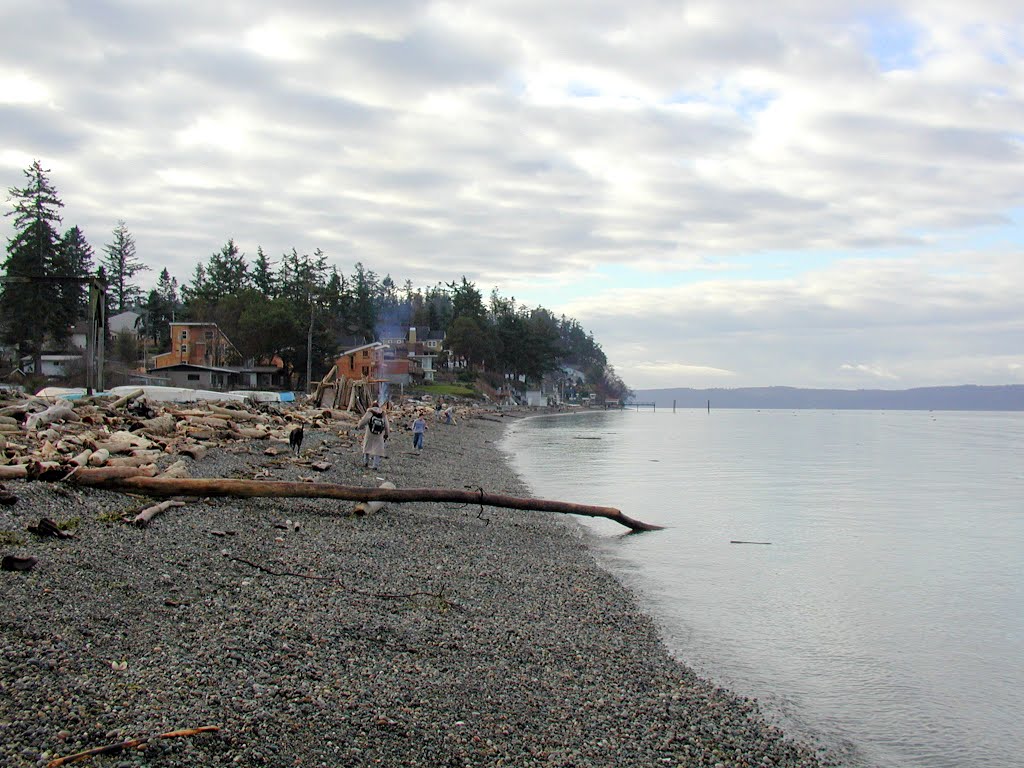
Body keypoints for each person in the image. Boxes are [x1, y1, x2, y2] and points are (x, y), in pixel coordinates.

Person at [357, 400, 390, 469]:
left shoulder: (370, 412)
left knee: (367, 447)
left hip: (370, 432)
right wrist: (386, 434)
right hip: (379, 434)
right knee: (378, 449)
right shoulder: (383, 413)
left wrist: (359, 426)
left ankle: (365, 462)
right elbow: (387, 425)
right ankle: (375, 465)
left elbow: (364, 421)